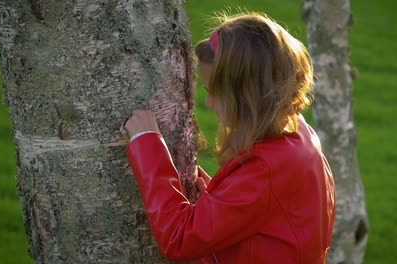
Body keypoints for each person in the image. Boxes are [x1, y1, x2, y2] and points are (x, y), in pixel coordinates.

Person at [123, 12, 335, 264]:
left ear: (246, 99)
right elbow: (269, 216)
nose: (209, 103)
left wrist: (147, 143)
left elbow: (178, 239)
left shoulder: (264, 170)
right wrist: (223, 199)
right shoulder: (299, 134)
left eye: (215, 93)